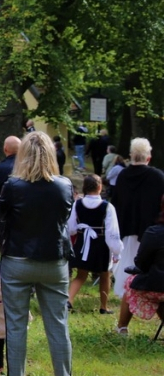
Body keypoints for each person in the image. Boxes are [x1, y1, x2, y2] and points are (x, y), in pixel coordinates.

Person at [0, 131, 74, 376]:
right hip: (54, 260)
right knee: (58, 323)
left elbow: (3, 218)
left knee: (16, 323)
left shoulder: (13, 186)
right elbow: (64, 219)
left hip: (18, 259)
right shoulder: (64, 186)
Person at [111, 138, 164, 300]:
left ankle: (123, 291)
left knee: (126, 260)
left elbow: (115, 201)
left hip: (126, 225)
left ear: (131, 155)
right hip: (151, 229)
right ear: (148, 157)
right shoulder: (158, 176)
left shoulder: (122, 175)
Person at [67, 175, 122, 314]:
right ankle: (103, 307)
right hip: (100, 244)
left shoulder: (77, 204)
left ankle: (69, 300)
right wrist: (116, 251)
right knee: (104, 275)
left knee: (81, 275)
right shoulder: (107, 207)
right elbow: (112, 232)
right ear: (100, 187)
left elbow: (71, 227)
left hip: (82, 242)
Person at [115, 193, 164, 336]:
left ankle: (122, 328)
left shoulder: (153, 232)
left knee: (130, 283)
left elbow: (140, 262)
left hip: (157, 284)